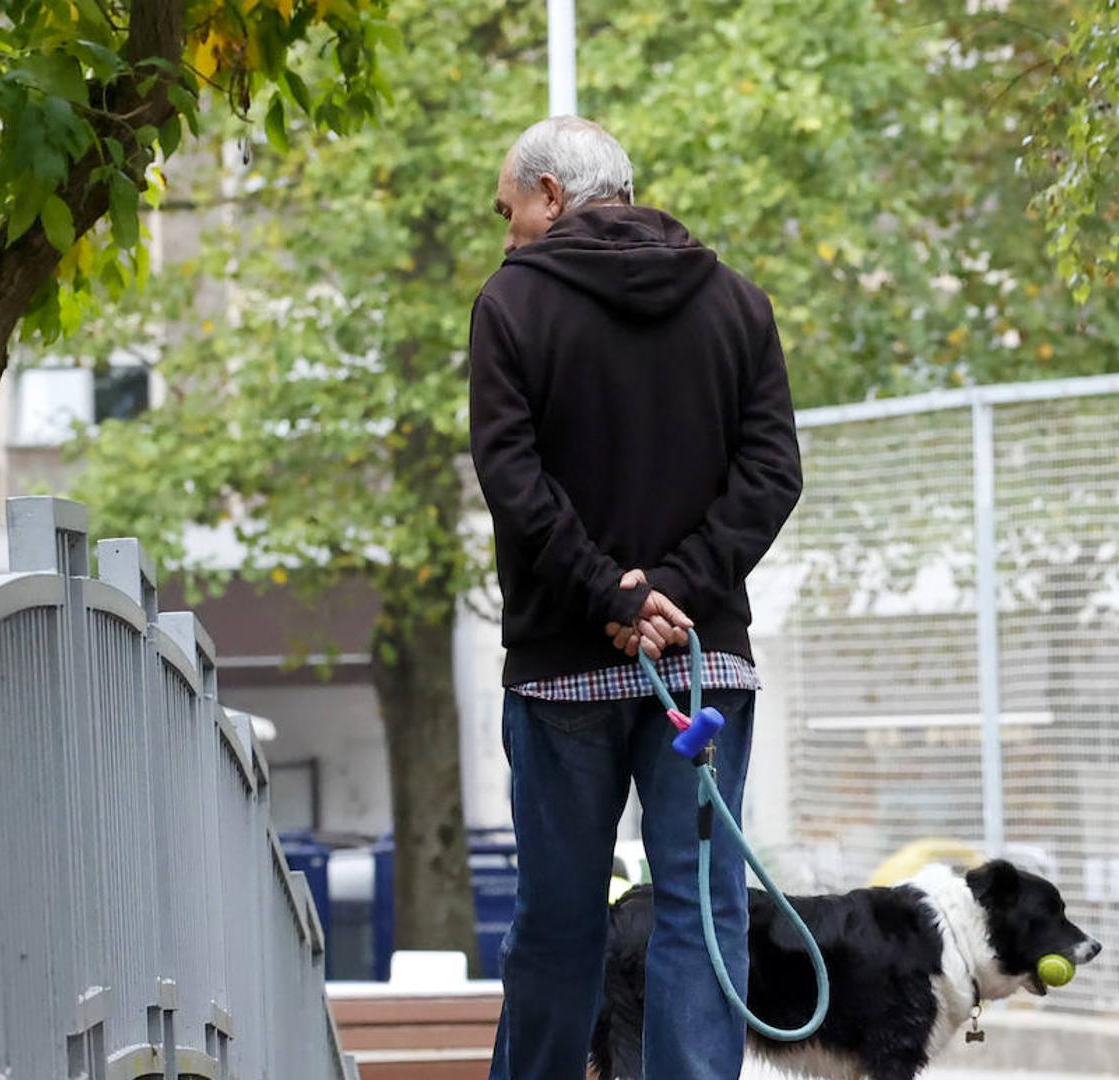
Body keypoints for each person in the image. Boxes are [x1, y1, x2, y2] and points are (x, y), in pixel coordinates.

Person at [469, 115, 802, 1080]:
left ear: (550, 195)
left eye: (508, 207)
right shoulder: (739, 305)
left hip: (563, 668)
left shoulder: (512, 305)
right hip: (702, 669)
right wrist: (676, 594)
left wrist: (612, 596)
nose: (505, 233)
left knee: (559, 920)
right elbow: (773, 472)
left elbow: (511, 471)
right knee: (702, 912)